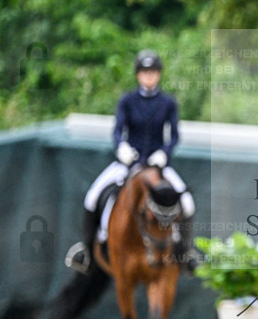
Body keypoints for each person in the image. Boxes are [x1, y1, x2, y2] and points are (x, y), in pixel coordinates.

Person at [65, 50, 200, 273]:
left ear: (158, 75)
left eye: (153, 72)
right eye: (145, 72)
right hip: (129, 162)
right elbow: (118, 130)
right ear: (138, 75)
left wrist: (164, 153)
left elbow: (174, 135)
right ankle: (86, 251)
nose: (149, 77)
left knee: (187, 203)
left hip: (158, 164)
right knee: (92, 196)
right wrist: (122, 148)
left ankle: (186, 254)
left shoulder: (168, 102)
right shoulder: (127, 100)